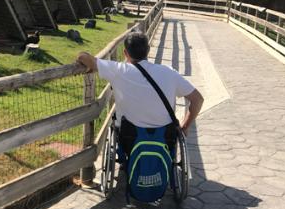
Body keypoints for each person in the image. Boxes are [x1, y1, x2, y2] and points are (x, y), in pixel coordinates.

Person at [76, 31, 204, 156]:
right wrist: (185, 126)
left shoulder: (118, 70)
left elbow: (83, 57)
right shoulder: (169, 73)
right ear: (148, 50)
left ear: (125, 52)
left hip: (129, 138)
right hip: (165, 137)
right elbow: (198, 99)